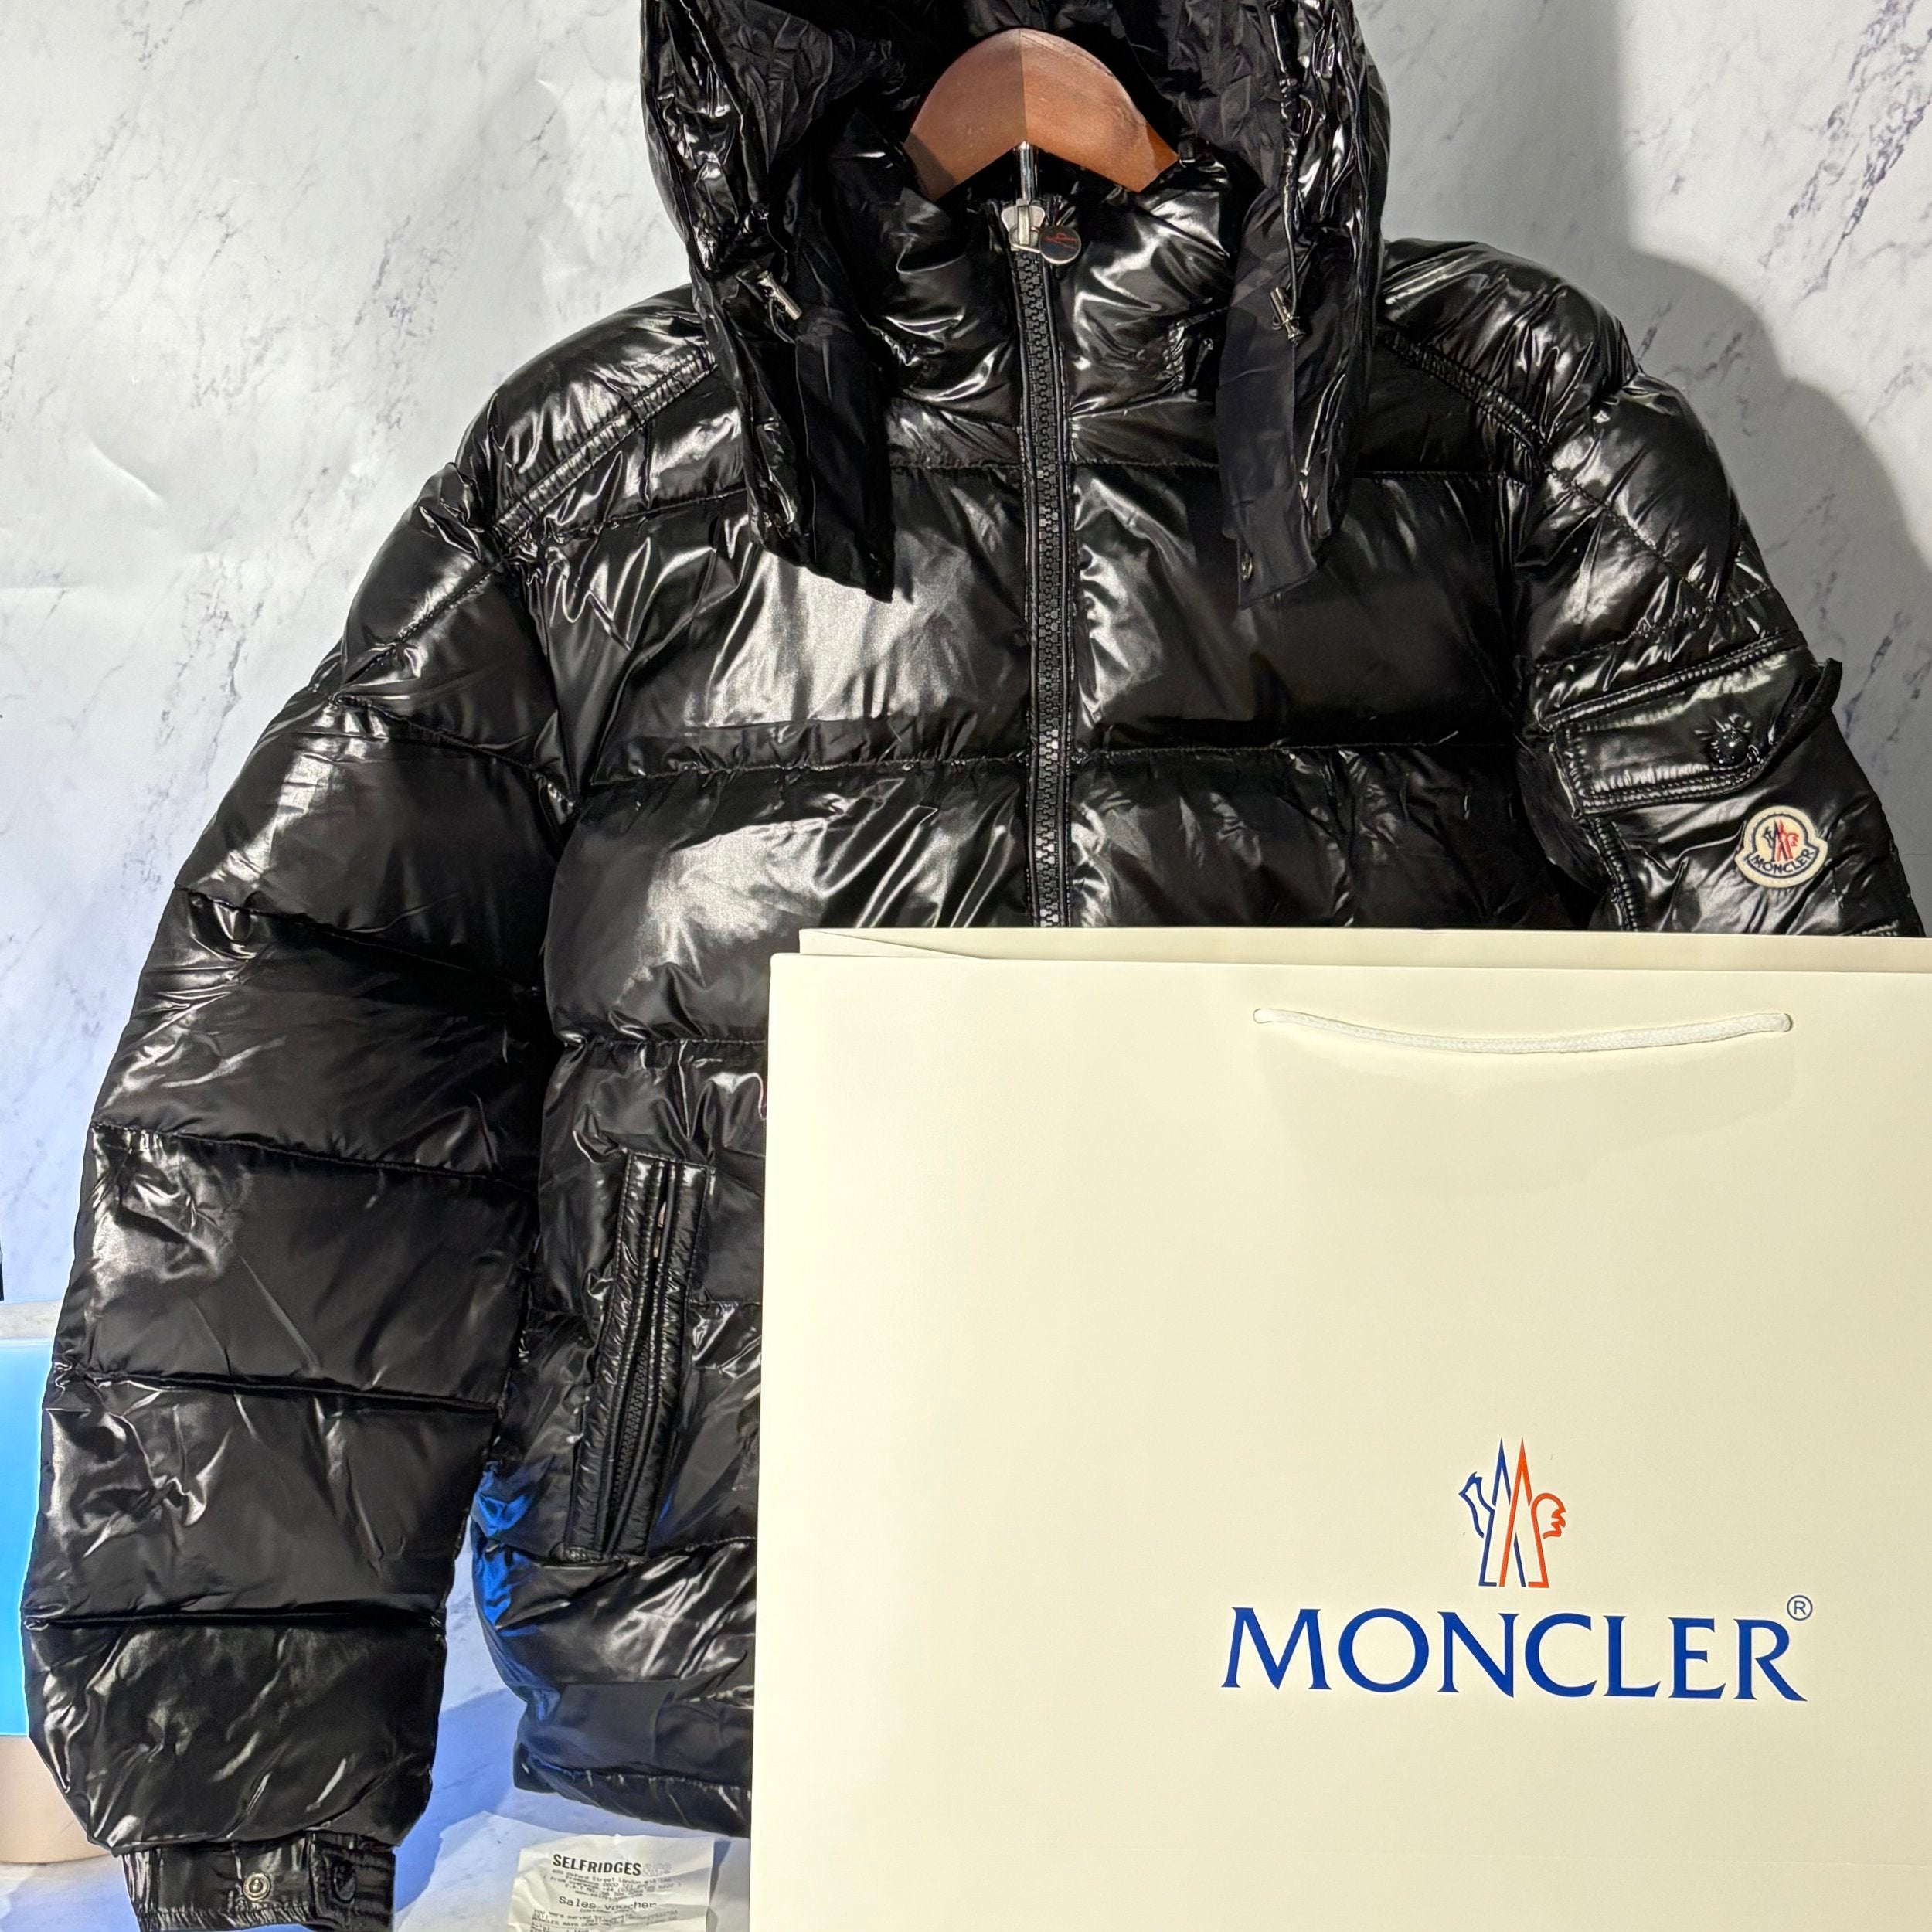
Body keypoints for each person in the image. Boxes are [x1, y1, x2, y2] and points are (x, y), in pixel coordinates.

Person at [25, 4, 1918, 1928]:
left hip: (1363, 1673)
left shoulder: (1496, 419)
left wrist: (1818, 1674)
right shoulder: (602, 484)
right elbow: (300, 1079)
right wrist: (248, 1789)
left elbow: (1796, 1054)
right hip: (738, 1721)